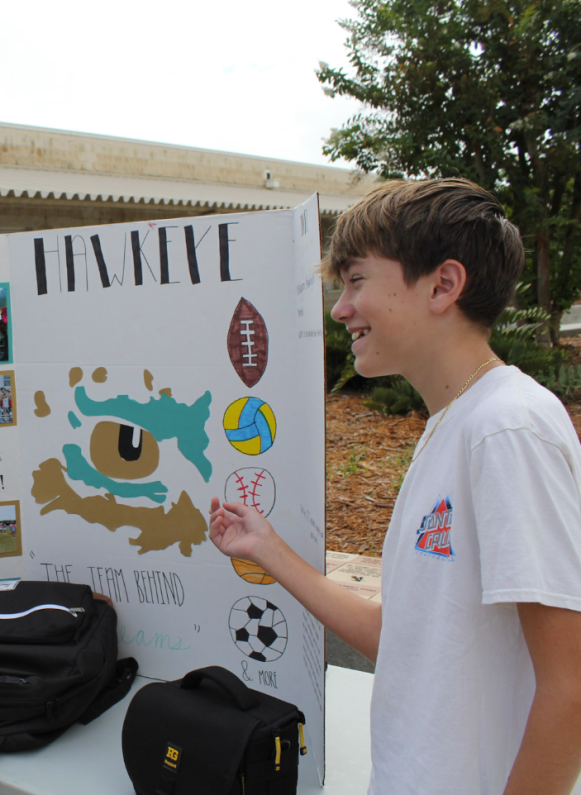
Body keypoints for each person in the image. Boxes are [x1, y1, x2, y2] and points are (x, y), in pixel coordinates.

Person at [208, 178, 581, 795]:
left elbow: (569, 685)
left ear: (443, 285)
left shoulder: (506, 427)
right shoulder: (454, 424)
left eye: (355, 280)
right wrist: (267, 550)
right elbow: (402, 639)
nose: (339, 308)